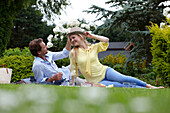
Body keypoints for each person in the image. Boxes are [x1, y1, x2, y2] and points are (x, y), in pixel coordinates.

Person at [68, 27, 164, 89]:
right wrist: (71, 84)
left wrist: (92, 36)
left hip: (105, 71)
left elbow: (106, 40)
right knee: (120, 86)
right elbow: (73, 69)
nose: (72, 40)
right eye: (70, 39)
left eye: (73, 37)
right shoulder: (73, 53)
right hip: (97, 81)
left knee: (124, 78)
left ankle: (150, 86)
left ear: (80, 36)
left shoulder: (93, 47)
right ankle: (145, 89)